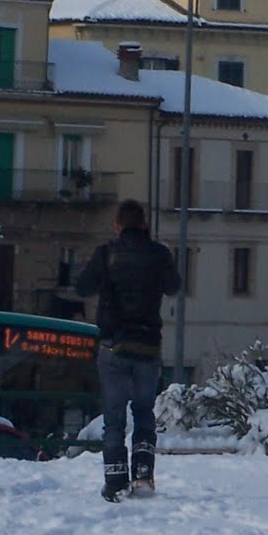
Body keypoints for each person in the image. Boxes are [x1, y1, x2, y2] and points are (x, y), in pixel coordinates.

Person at [74, 199, 181, 501]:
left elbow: (82, 287)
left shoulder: (107, 254)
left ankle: (115, 480)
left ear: (118, 225)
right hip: (147, 345)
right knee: (144, 412)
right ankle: (144, 474)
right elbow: (173, 286)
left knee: (114, 417)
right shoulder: (159, 254)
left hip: (114, 346)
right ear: (144, 224)